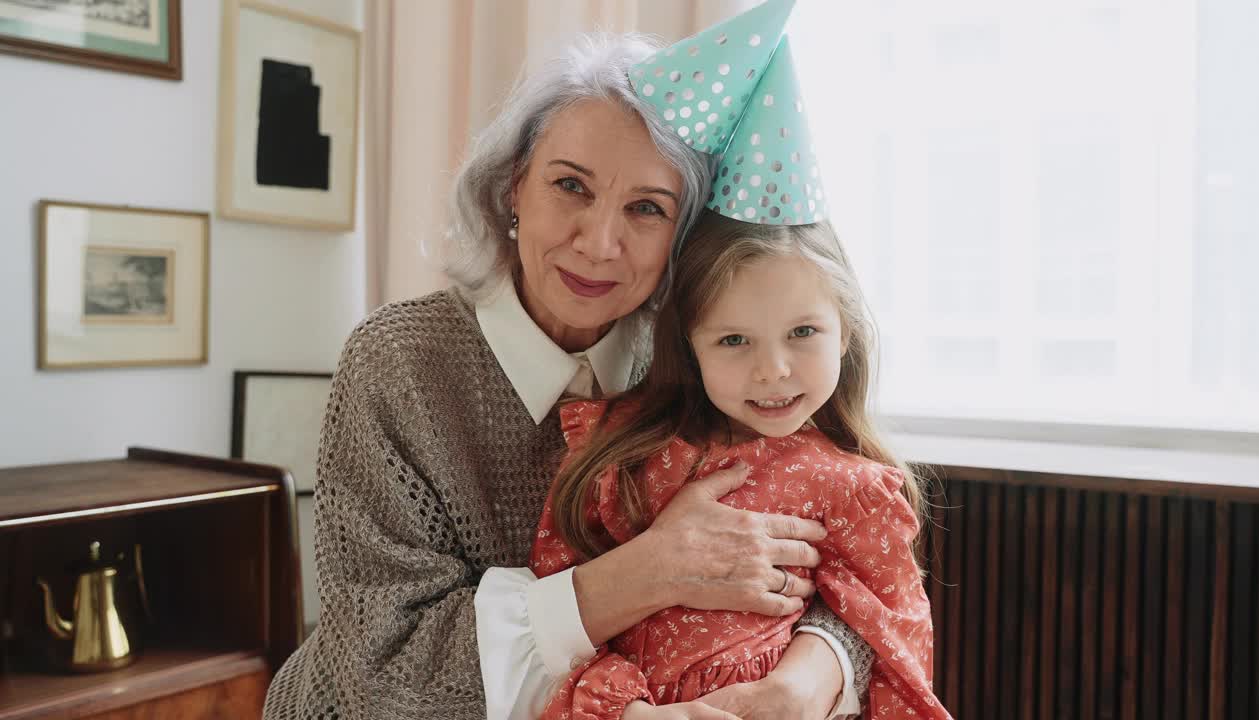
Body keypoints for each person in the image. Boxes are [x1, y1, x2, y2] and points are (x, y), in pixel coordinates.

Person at [262, 19, 874, 720]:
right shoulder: (396, 365)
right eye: (571, 187)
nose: (600, 243)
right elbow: (384, 671)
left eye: (647, 208)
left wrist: (810, 673)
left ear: (683, 236)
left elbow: (846, 562)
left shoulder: (710, 357)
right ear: (515, 188)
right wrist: (648, 573)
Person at [534, 211, 949, 720]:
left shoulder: (855, 490)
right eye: (734, 340)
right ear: (691, 347)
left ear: (844, 332)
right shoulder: (618, 463)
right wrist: (629, 712)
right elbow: (552, 633)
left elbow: (893, 645)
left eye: (802, 331)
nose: (772, 369)